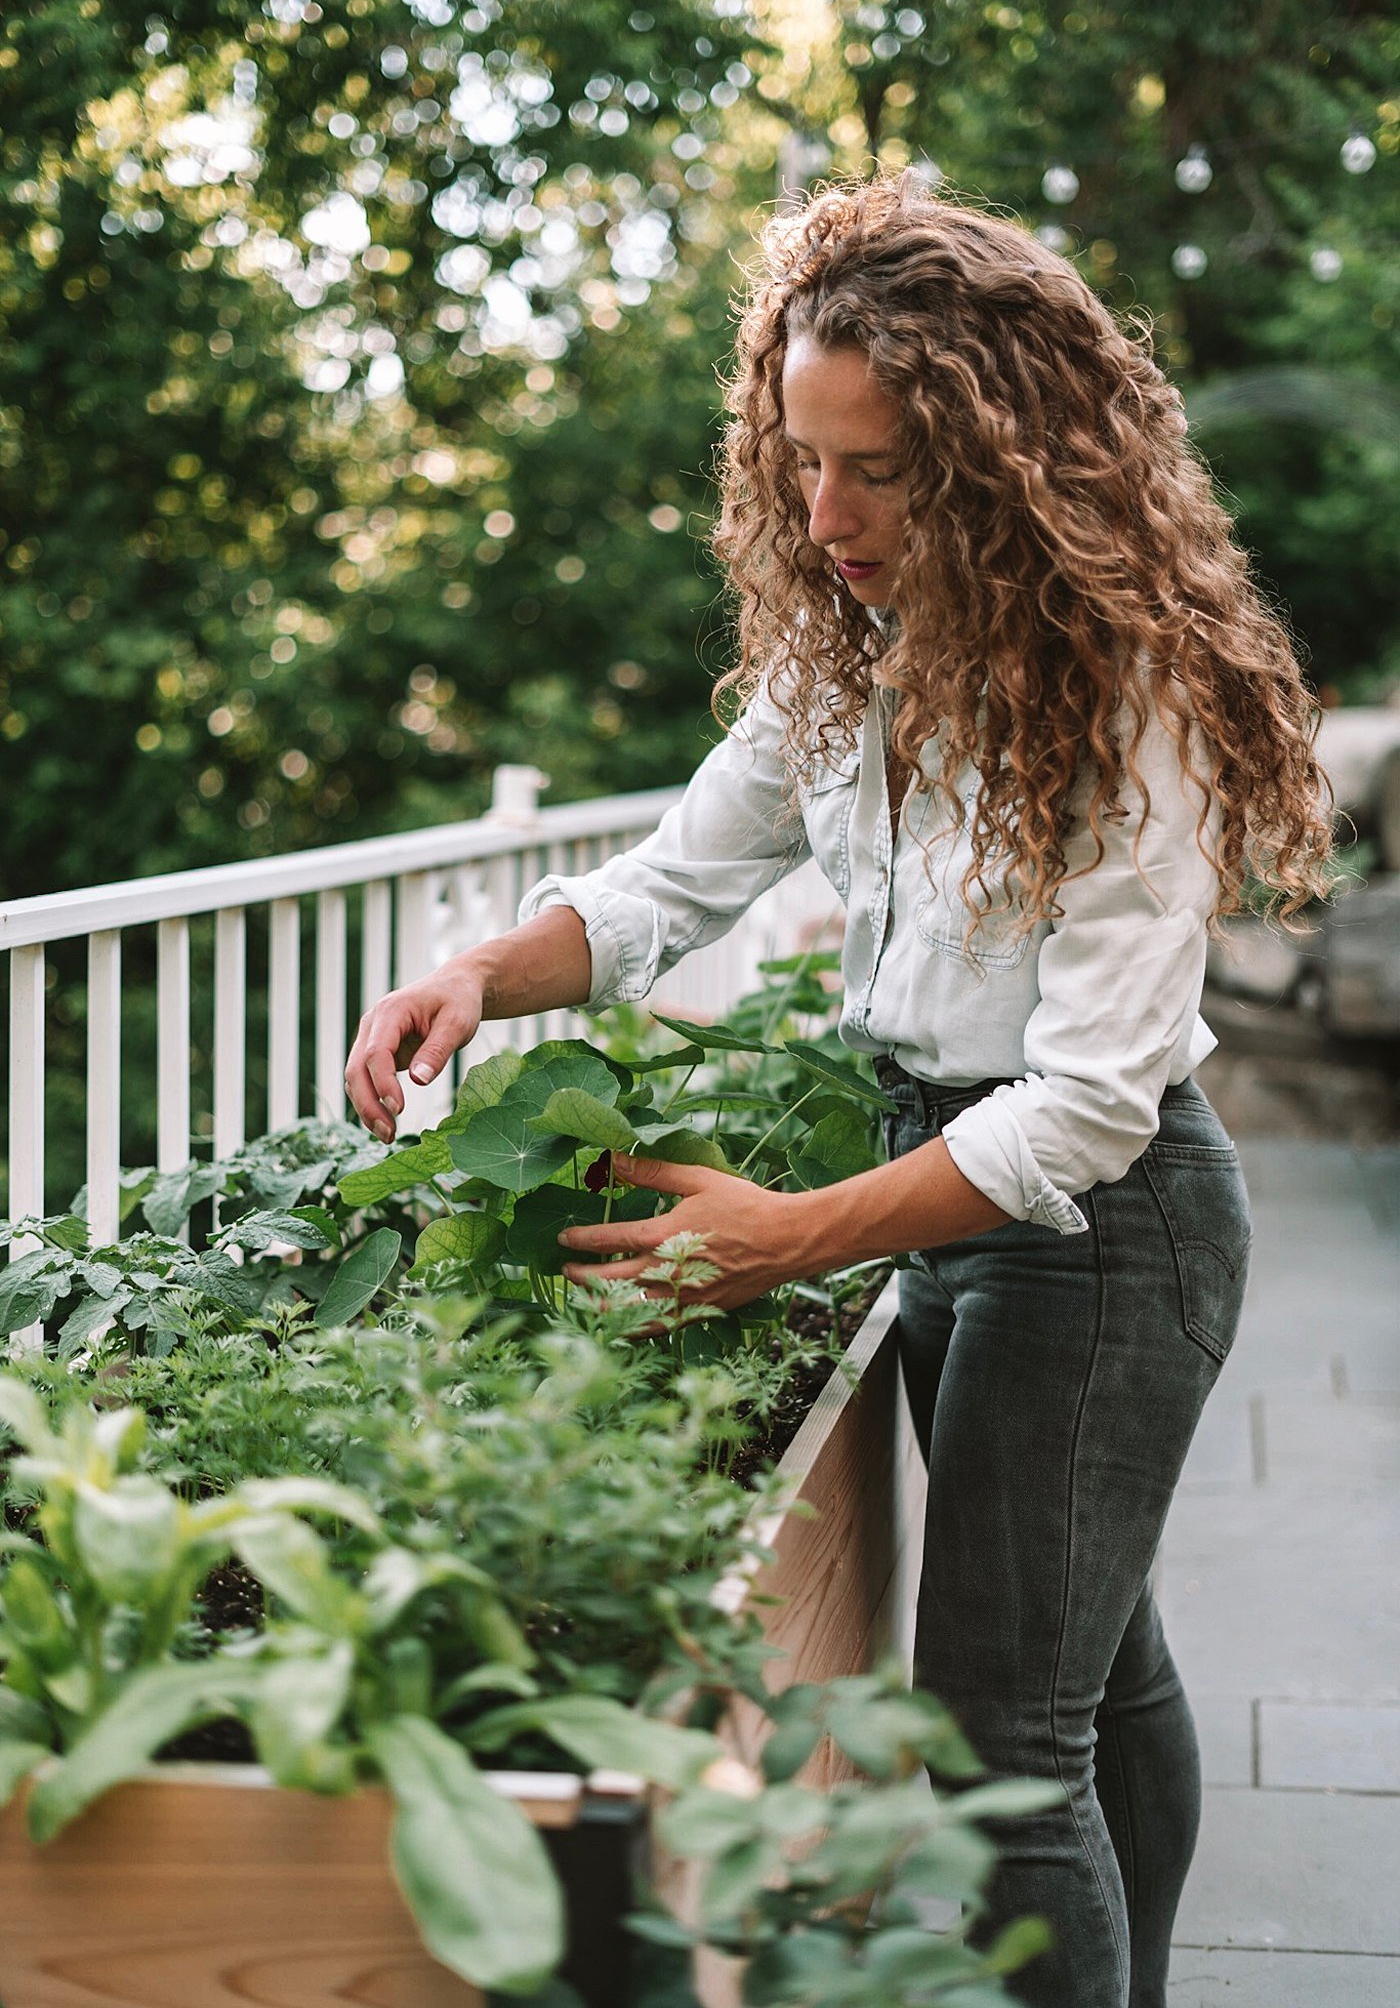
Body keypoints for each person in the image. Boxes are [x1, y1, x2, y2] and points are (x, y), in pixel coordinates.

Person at [345, 174, 1333, 2008]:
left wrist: (789, 1239)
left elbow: (1085, 1113)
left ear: (1006, 458)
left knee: (1003, 1760)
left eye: (879, 470)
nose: (828, 516)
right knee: (1096, 1671)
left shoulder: (1124, 689)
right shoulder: (849, 661)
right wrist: (477, 975)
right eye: (802, 462)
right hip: (947, 1211)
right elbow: (664, 890)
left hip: (1105, 1244)